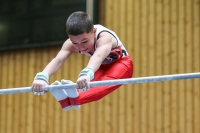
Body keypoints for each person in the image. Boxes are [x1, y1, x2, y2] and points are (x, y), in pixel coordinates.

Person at [31, 11, 134, 111]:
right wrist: (42, 76)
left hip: (122, 64)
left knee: (98, 89)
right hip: (100, 67)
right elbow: (58, 59)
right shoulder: (70, 44)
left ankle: (66, 101)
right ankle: (68, 100)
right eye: (75, 43)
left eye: (84, 41)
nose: (80, 47)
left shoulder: (104, 37)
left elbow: (98, 56)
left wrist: (86, 73)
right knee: (83, 88)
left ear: (93, 32)